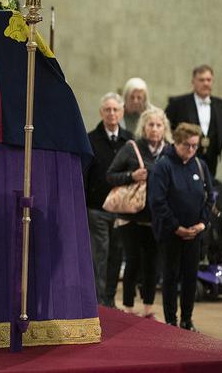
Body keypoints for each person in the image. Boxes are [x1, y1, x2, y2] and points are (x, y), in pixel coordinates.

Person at [106, 107, 171, 319]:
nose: (154, 129)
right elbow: (111, 176)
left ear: (164, 128)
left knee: (152, 263)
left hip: (155, 217)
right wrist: (131, 175)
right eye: (150, 125)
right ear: (143, 127)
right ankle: (127, 306)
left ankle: (148, 307)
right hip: (131, 216)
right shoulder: (131, 147)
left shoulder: (169, 151)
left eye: (158, 125)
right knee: (133, 260)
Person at [148, 122, 212, 331]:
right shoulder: (163, 166)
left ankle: (187, 320)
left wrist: (201, 224)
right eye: (187, 145)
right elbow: (157, 202)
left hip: (194, 234)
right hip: (170, 234)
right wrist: (176, 227)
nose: (191, 150)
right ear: (176, 142)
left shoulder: (200, 166)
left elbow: (209, 199)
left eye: (195, 146)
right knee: (170, 277)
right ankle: (170, 321)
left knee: (190, 278)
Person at [85, 92, 133, 308]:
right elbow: (84, 173)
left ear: (122, 112)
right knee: (99, 256)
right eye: (108, 110)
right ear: (101, 113)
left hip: (122, 209)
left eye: (116, 110)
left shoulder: (129, 141)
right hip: (97, 207)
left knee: (117, 255)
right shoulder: (90, 139)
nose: (112, 113)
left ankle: (110, 300)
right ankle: (98, 302)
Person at [165, 65, 222, 178]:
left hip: (211, 159)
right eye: (201, 80)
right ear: (193, 82)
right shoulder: (178, 103)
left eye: (208, 80)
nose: (205, 83)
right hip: (183, 158)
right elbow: (167, 128)